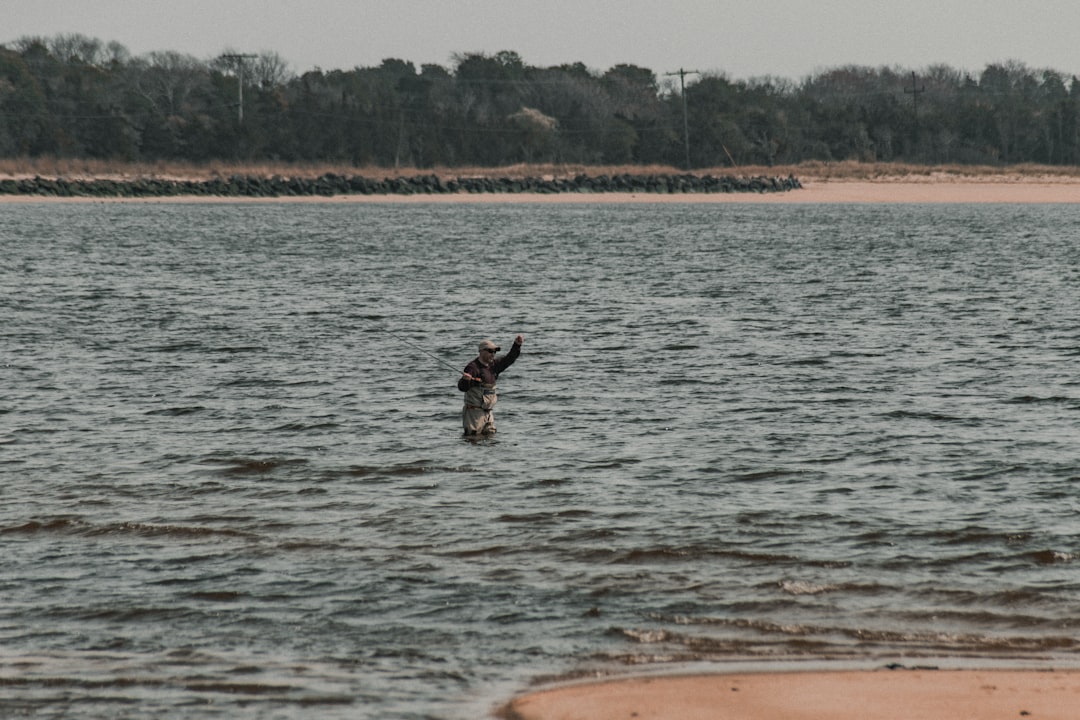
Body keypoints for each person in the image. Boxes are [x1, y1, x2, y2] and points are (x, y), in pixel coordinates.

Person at [457, 335, 524, 436]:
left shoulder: (494, 366)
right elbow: (462, 387)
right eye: (490, 351)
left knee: (491, 439)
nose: (493, 354)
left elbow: (509, 359)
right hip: (474, 413)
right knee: (472, 439)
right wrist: (465, 380)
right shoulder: (472, 368)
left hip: (489, 413)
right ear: (481, 351)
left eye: (495, 352)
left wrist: (517, 345)